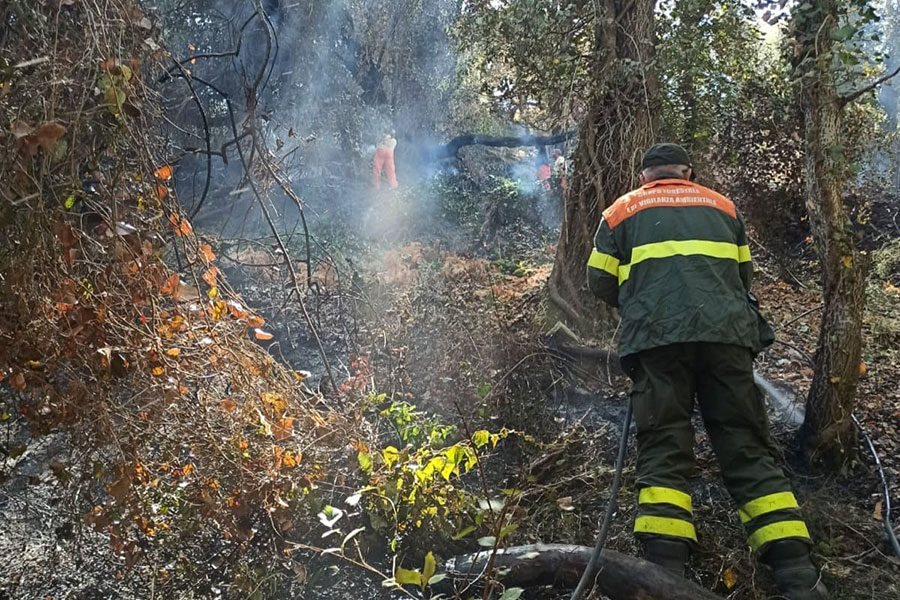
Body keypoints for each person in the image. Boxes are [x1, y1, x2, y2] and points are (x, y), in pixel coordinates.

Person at [585, 143, 827, 600]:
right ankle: (797, 573)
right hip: (728, 340)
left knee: (664, 441)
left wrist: (644, 303)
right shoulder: (722, 205)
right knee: (746, 443)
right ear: (688, 174)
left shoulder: (620, 211)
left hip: (657, 342)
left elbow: (599, 280)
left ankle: (664, 570)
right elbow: (743, 276)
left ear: (644, 176)